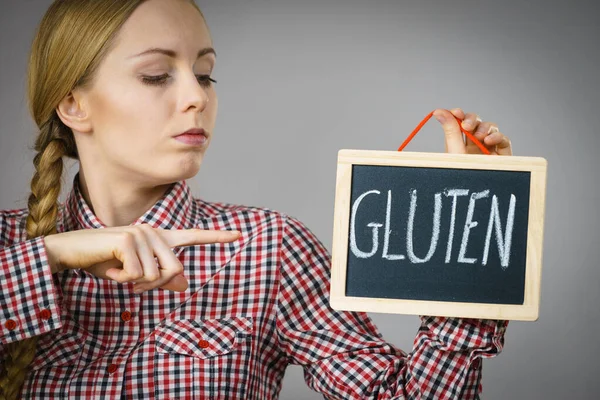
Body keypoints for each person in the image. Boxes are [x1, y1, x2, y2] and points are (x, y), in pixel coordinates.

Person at [0, 0, 513, 398]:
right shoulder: (7, 244)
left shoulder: (270, 249)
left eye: (204, 73)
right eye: (156, 75)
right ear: (72, 103)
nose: (197, 97)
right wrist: (52, 256)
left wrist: (462, 236)